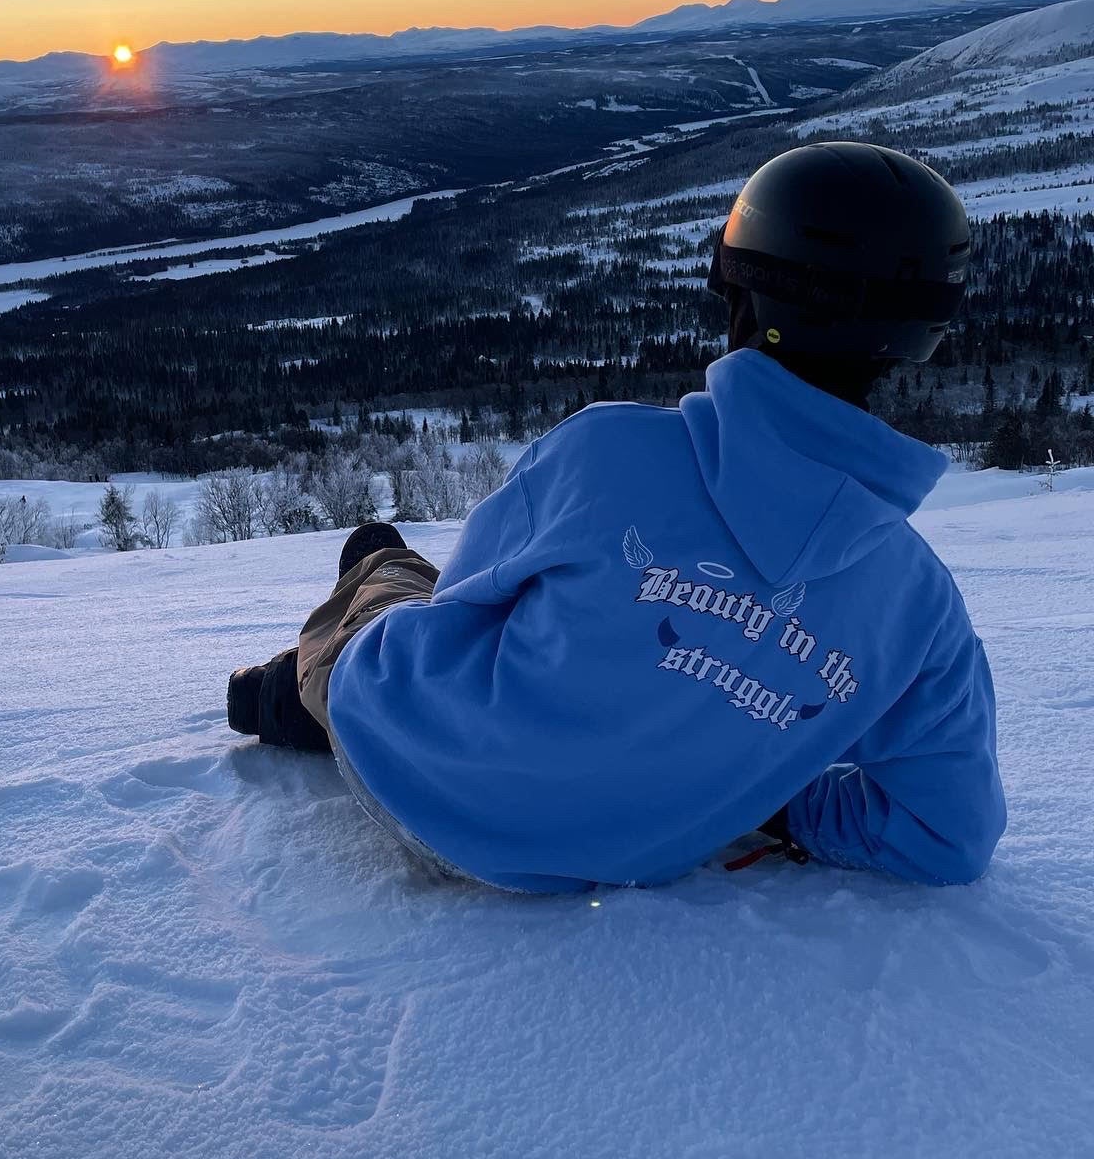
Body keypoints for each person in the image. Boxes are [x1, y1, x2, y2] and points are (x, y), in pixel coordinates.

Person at [227, 142, 1006, 892]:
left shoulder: (606, 448)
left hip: (414, 781)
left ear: (741, 295)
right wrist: (761, 792)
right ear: (919, 337)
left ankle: (291, 680)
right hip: (613, 859)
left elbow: (461, 609)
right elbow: (949, 835)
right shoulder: (921, 606)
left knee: (388, 583)